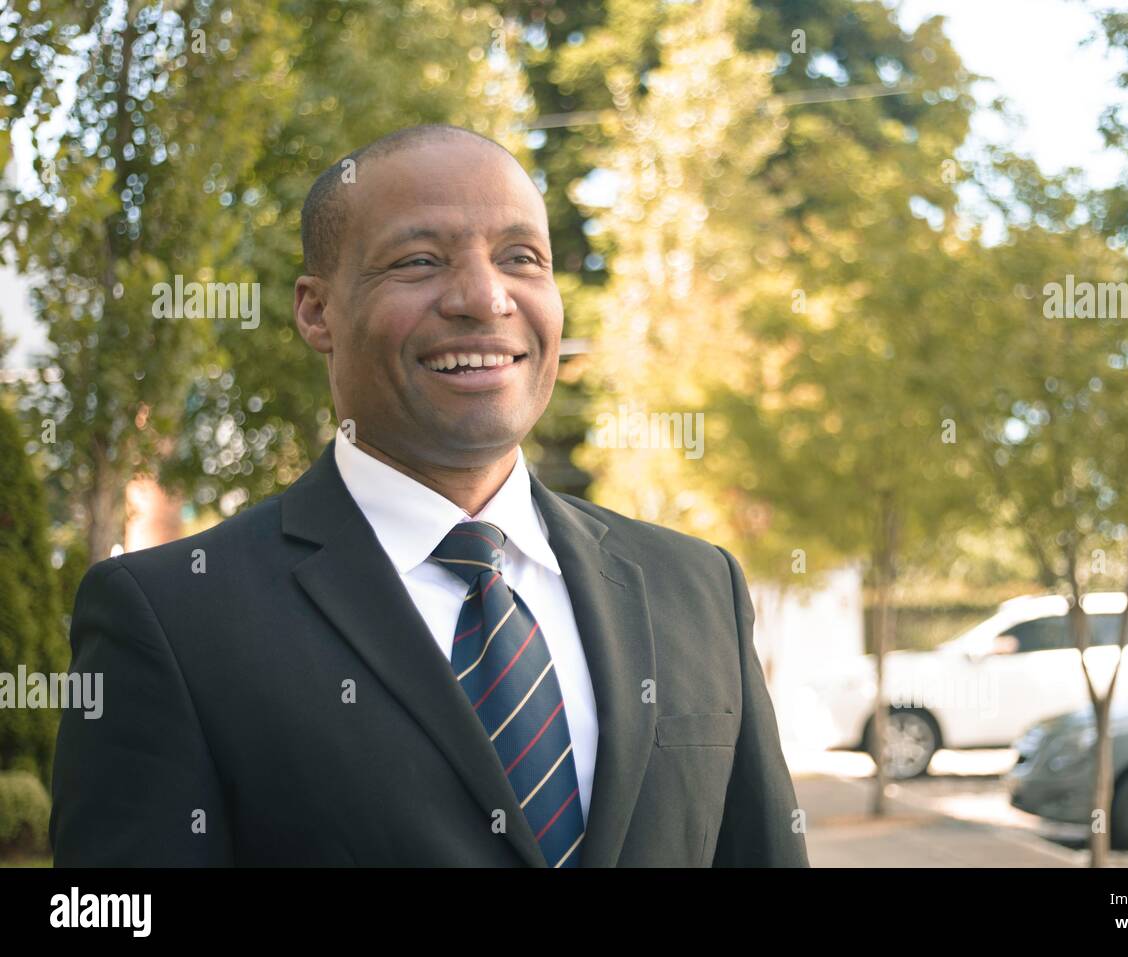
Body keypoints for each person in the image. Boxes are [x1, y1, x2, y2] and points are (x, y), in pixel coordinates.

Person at [49, 124, 809, 867]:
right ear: (317, 311)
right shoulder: (171, 619)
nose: (485, 297)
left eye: (522, 257)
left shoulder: (698, 586)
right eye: (419, 260)